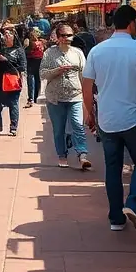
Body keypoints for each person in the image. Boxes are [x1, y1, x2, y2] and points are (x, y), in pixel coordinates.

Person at [82, 4, 136, 234]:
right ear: (132, 24)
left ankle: (116, 218)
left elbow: (87, 86)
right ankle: (134, 202)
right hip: (134, 118)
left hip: (107, 120)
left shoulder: (97, 51)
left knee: (113, 168)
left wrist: (90, 113)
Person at [40, 23, 91, 170]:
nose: (66, 38)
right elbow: (43, 73)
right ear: (57, 37)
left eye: (69, 35)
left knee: (78, 125)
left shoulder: (78, 53)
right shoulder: (49, 53)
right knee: (59, 129)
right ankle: (62, 155)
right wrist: (57, 70)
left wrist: (87, 93)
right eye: (63, 35)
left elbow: (84, 74)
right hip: (55, 97)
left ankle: (82, 154)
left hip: (75, 95)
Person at [0, 22, 26, 137]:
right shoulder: (1, 49)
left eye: (9, 34)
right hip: (0, 79)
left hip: (13, 80)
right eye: (5, 34)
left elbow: (22, 67)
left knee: (13, 104)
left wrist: (5, 60)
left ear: (14, 37)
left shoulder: (19, 50)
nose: (6, 36)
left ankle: (13, 127)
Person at [24, 27, 45, 107]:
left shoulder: (41, 41)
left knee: (36, 79)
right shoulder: (29, 41)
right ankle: (32, 98)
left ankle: (34, 97)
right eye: (35, 32)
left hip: (38, 61)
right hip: (32, 61)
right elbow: (25, 50)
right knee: (32, 79)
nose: (36, 34)